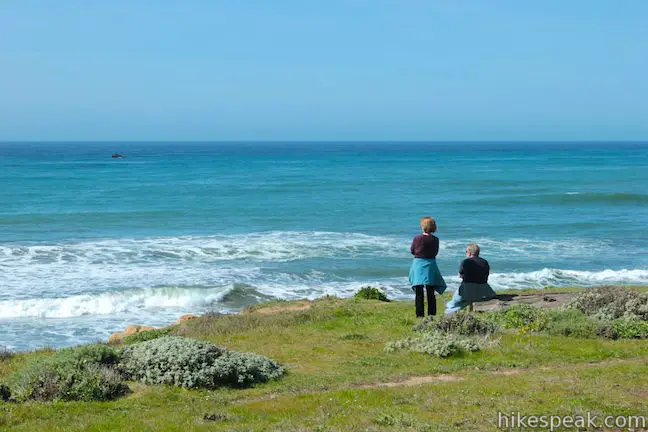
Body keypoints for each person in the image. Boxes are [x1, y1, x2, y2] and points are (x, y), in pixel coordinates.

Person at [409, 216, 446, 317]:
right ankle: (431, 315)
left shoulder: (417, 238)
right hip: (431, 264)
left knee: (419, 291)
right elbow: (436, 252)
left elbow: (412, 251)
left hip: (419, 264)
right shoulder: (435, 239)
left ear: (423, 226)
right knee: (431, 291)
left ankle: (419, 315)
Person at [445, 243, 496, 314]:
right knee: (469, 297)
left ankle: (449, 311)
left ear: (469, 253)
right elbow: (486, 276)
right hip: (484, 291)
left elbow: (461, 275)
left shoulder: (466, 261)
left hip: (468, 289)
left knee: (455, 303)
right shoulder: (485, 262)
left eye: (466, 252)